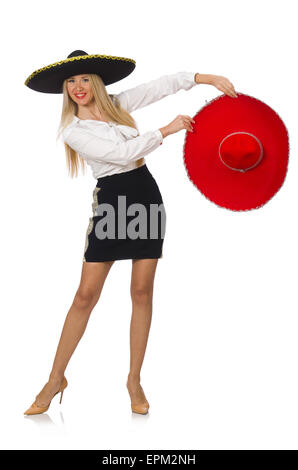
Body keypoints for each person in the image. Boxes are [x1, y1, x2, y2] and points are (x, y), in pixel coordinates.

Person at [24, 51, 237, 415]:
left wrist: (203, 77)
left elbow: (160, 86)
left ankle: (134, 380)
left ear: (97, 82)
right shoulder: (73, 130)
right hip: (112, 202)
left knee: (141, 291)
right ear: (65, 88)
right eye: (71, 82)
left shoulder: (117, 105)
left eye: (85, 79)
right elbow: (120, 154)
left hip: (146, 197)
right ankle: (55, 378)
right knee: (85, 296)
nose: (78, 87)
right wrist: (166, 130)